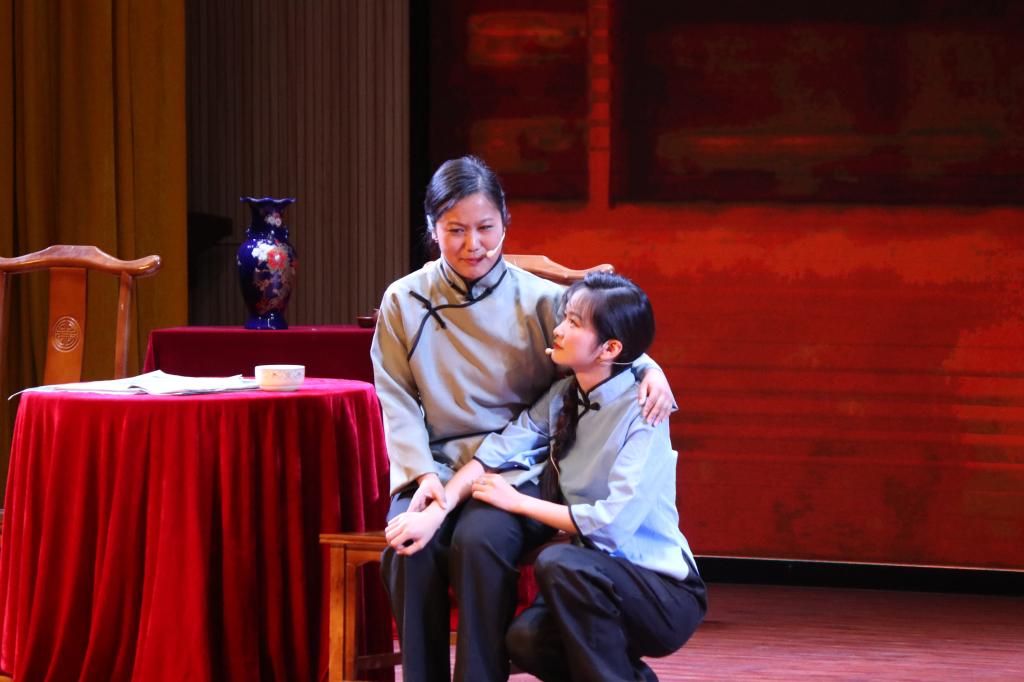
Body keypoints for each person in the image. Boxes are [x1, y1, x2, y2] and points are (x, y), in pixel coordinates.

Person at [372, 155, 676, 681]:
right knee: (407, 551)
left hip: (520, 468)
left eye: (486, 228)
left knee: (479, 542)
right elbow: (395, 399)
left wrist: (655, 370)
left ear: (505, 222)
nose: (474, 244)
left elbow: (610, 342)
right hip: (436, 464)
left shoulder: (543, 299)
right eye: (456, 230)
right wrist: (422, 477)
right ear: (432, 229)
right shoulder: (404, 300)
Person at [469, 272, 707, 682]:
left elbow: (611, 526)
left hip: (662, 592)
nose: (559, 330)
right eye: (564, 318)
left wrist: (518, 502)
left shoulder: (644, 411)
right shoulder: (562, 397)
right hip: (594, 578)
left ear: (610, 348)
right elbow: (503, 445)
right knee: (527, 640)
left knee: (559, 562)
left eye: (574, 323)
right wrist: (441, 499)